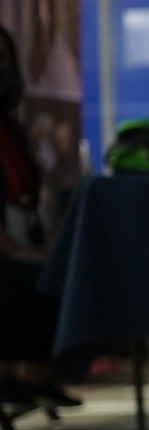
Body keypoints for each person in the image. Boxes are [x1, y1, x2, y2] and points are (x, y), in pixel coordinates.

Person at [0, 25, 79, 408]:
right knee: (38, 283)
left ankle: (33, 372)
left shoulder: (10, 127)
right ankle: (23, 372)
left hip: (21, 234)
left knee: (68, 278)